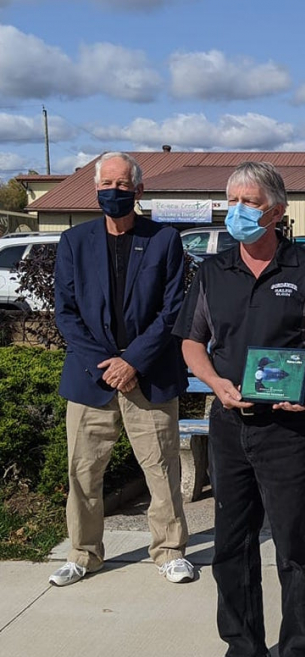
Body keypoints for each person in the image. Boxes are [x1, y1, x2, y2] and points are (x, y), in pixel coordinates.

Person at [174, 161, 305, 657]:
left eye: (249, 201)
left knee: (296, 547)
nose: (238, 211)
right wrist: (216, 386)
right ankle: (244, 647)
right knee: (231, 544)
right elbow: (192, 343)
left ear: (276, 210)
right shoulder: (213, 270)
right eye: (232, 200)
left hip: (289, 430)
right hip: (229, 424)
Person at [50, 151, 193, 587]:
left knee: (163, 469)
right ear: (95, 189)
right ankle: (84, 553)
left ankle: (169, 551)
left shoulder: (165, 240)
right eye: (106, 185)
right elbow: (66, 312)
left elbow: (173, 310)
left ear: (139, 190)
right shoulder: (74, 242)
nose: (113, 192)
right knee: (83, 471)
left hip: (148, 375)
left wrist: (132, 361)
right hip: (91, 378)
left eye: (122, 185)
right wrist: (107, 365)